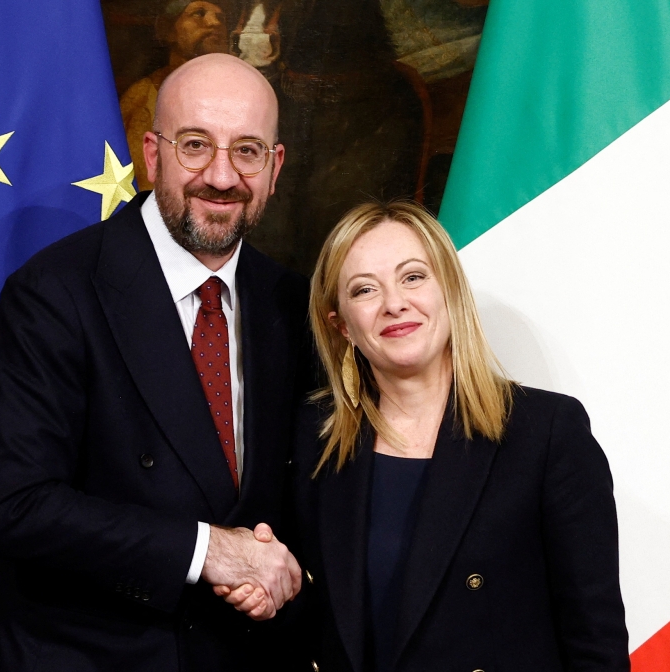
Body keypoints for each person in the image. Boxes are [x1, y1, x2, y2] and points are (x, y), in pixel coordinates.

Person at [0, 53, 312, 671]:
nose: (221, 174)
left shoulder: (292, 301)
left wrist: (281, 575)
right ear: (152, 155)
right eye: (195, 145)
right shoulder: (55, 290)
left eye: (247, 151)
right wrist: (209, 551)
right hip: (88, 655)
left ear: (274, 166)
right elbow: (11, 506)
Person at [224, 201, 631, 670]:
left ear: (450, 291)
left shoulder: (547, 433)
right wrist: (274, 596)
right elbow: (318, 628)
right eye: (364, 290)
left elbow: (595, 643)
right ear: (341, 326)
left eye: (413, 277)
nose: (394, 302)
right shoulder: (310, 439)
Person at [120, 0, 229, 190]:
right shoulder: (143, 97)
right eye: (199, 14)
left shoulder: (237, 95)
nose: (214, 23)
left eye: (221, 17)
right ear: (168, 30)